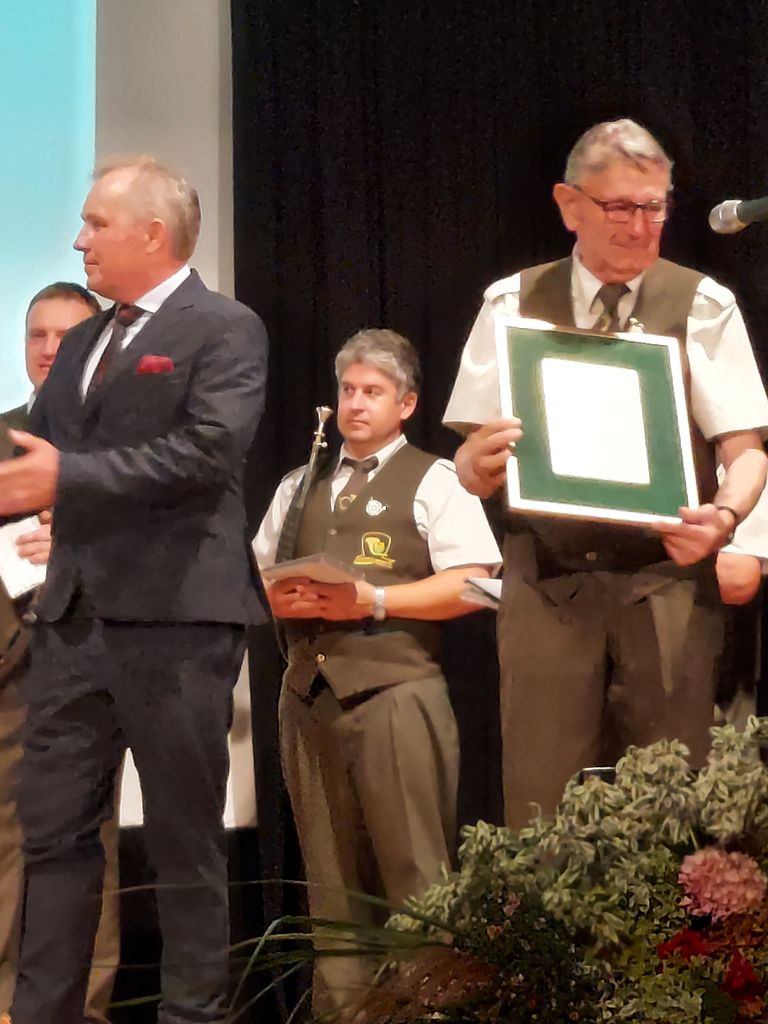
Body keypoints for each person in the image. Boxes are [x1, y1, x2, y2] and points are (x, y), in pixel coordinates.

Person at [0, 156, 268, 1024]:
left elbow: (207, 452)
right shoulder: (83, 343)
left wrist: (68, 478)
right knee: (54, 840)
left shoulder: (224, 328)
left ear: (153, 234)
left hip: (177, 624)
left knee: (186, 846)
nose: (78, 240)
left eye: (95, 224)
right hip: (73, 626)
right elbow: (31, 458)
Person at [444, 118, 768, 828]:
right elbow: (469, 455)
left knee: (672, 803)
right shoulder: (512, 303)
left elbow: (746, 451)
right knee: (541, 805)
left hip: (668, 584)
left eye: (655, 207)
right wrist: (474, 466)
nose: (640, 227)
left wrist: (724, 518)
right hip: (547, 583)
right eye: (620, 206)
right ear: (570, 206)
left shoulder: (703, 304)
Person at [253, 328, 501, 1018]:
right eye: (348, 390)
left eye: (373, 392)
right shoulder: (298, 485)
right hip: (308, 696)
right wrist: (276, 597)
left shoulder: (436, 478)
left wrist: (377, 599)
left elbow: (480, 585)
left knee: (418, 879)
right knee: (330, 889)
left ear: (406, 403)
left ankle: (431, 1012)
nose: (356, 404)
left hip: (398, 694)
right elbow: (255, 577)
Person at [0, 282, 122, 1024]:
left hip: (92, 661)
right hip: (9, 669)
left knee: (86, 843)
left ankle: (86, 1008)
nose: (49, 350)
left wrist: (79, 546)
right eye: (36, 335)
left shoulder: (128, 447)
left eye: (66, 336)